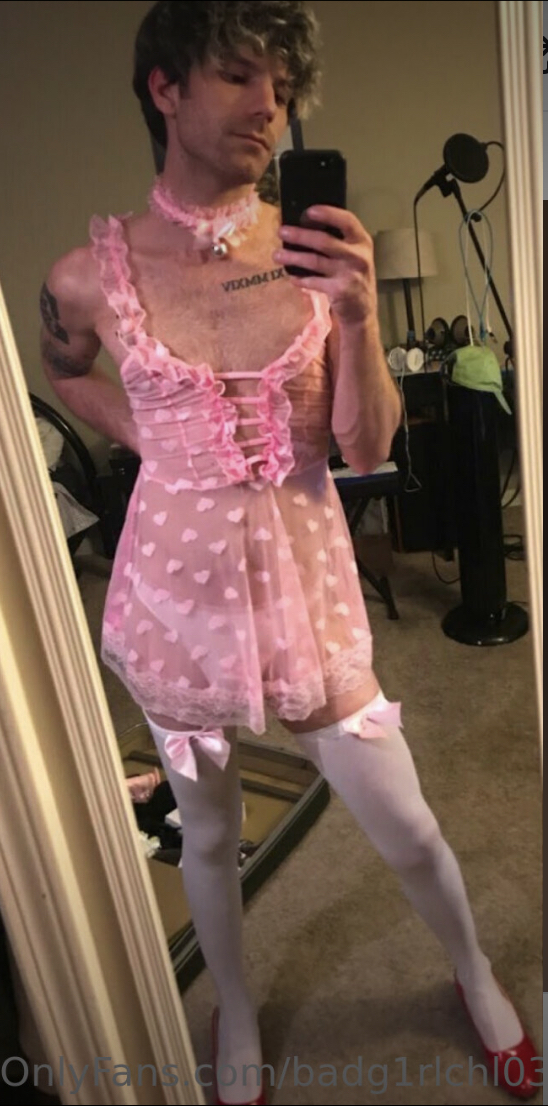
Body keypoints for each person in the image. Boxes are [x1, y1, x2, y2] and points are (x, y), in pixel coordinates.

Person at [39, 3, 538, 1103]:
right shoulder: (88, 276)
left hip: (310, 593)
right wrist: (151, 438)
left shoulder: (318, 254)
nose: (269, 104)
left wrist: (357, 319)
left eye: (281, 84)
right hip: (174, 602)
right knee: (209, 834)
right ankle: (238, 1008)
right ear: (165, 87)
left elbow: (366, 448)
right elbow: (62, 368)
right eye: (237, 75)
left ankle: (472, 968)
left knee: (405, 822)